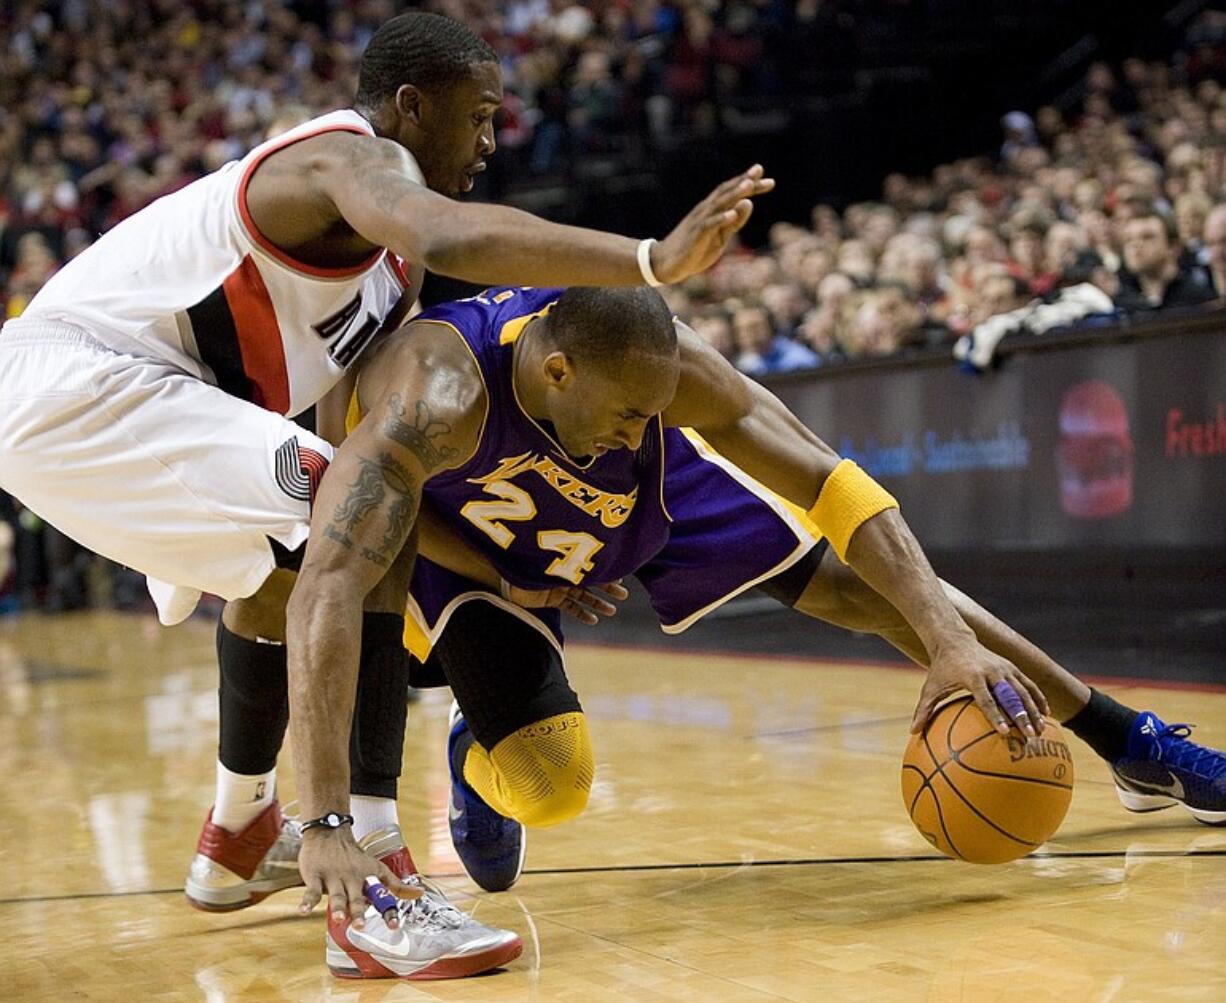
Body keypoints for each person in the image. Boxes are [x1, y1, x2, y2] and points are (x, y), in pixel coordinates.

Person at [0, 12, 773, 981]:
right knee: (341, 512)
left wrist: (507, 565)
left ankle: (239, 831)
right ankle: (358, 860)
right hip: (75, 383)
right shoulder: (345, 163)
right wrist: (647, 261)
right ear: (411, 104)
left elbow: (371, 484)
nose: (492, 142)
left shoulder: (388, 274)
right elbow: (445, 230)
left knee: (352, 507)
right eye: (480, 117)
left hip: (167, 406)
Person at [333, 284, 1225, 896]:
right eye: (632, 412)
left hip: (631, 493)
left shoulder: (660, 389)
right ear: (560, 371)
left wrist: (948, 642)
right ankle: (481, 753)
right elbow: (379, 513)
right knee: (553, 782)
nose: (647, 425)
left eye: (659, 408)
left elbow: (837, 487)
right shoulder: (438, 379)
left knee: (872, 592)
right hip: (469, 538)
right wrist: (519, 581)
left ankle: (1128, 740)